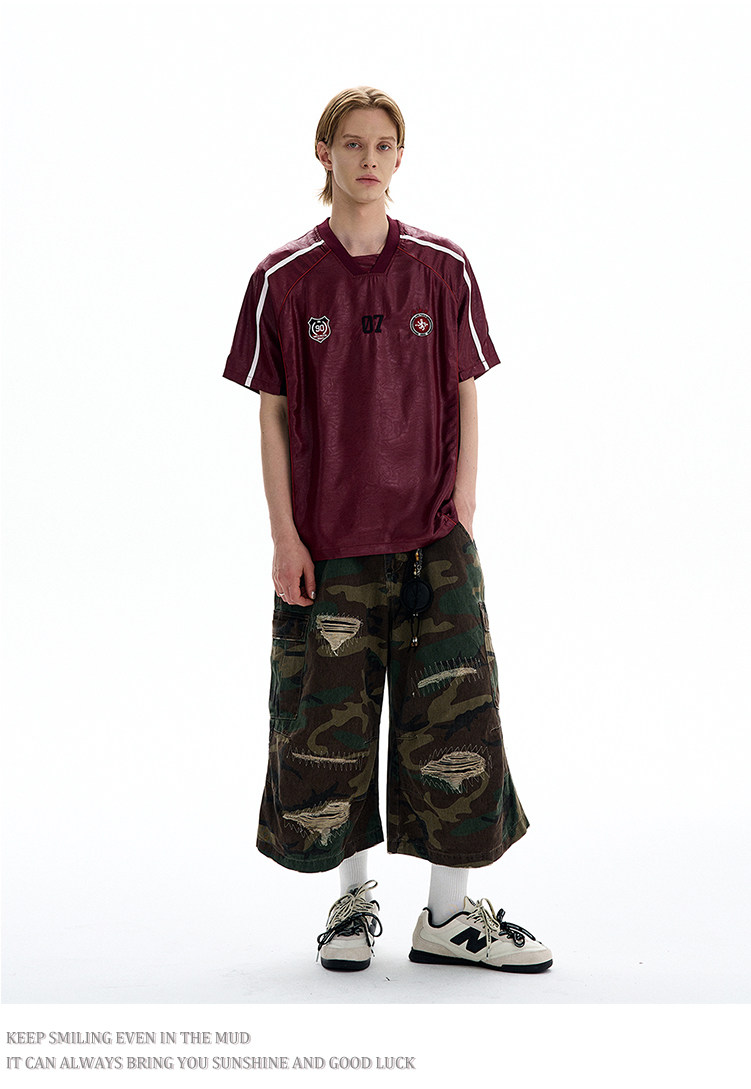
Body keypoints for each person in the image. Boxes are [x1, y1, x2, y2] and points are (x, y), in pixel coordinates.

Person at [223, 86, 552, 974]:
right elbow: (272, 415)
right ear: (322, 153)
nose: (367, 159)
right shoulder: (284, 279)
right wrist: (284, 535)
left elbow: (463, 390)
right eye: (351, 143)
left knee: (455, 722)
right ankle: (350, 904)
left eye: (382, 144)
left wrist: (463, 502)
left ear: (400, 157)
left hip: (431, 541)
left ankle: (447, 916)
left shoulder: (441, 267)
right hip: (328, 547)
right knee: (328, 727)